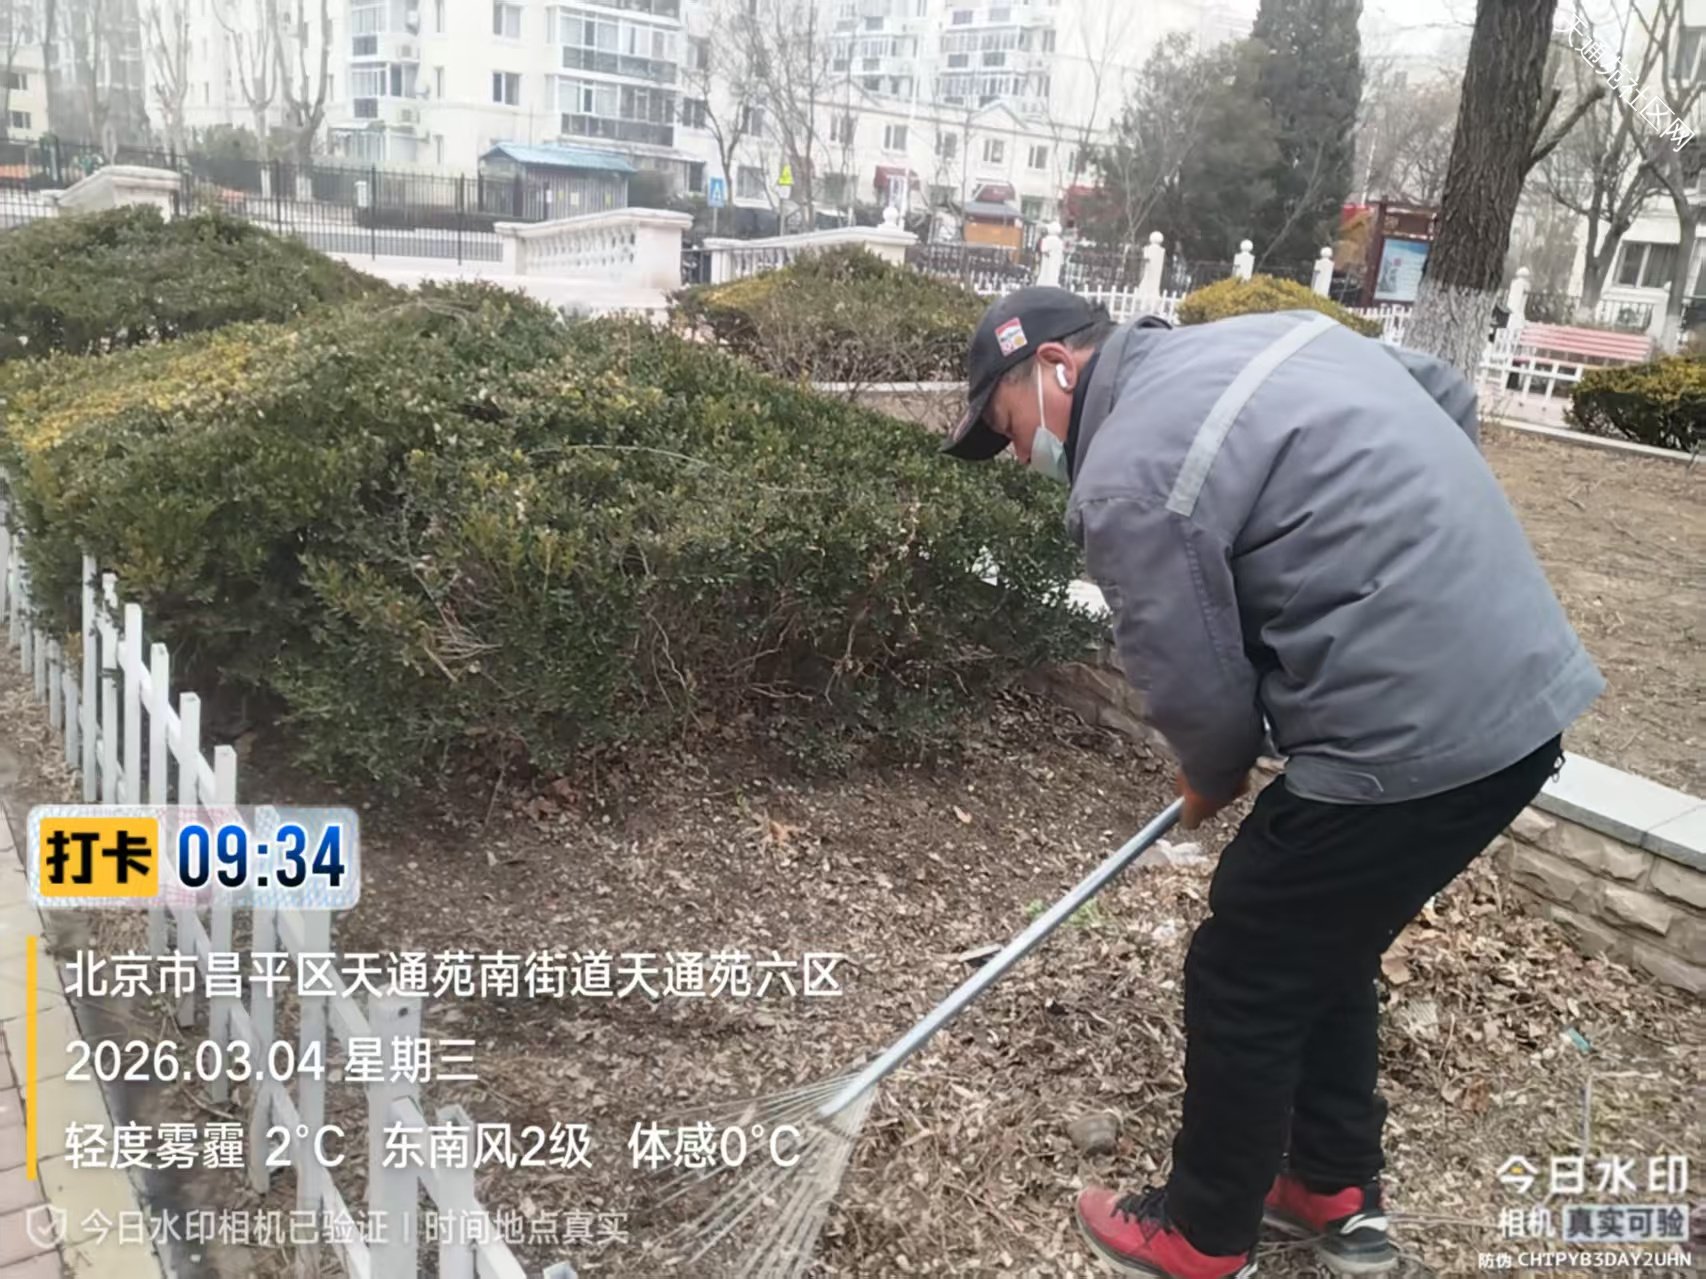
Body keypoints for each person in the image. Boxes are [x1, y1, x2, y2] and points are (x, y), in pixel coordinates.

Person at [940, 288, 1604, 1279]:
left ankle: (1202, 1233)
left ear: (1055, 369)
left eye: (1006, 424)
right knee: (1317, 939)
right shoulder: (1270, 339)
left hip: (1408, 729)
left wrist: (1208, 778)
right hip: (1522, 699)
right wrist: (1397, 550)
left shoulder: (1126, 474)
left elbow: (1199, 693)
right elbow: (1443, 394)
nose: (1019, 451)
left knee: (1244, 963)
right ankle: (1329, 1184)